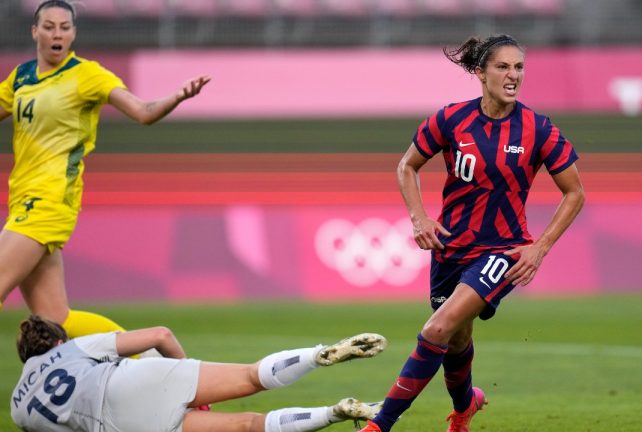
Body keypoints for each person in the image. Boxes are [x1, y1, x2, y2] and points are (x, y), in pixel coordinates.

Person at [358, 35, 585, 432]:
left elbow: (575, 192)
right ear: (480, 73)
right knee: (457, 340)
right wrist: (419, 218)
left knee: (437, 329)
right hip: (449, 249)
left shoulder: (538, 128)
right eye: (503, 67)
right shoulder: (450, 119)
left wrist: (539, 248)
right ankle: (466, 405)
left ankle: (380, 424)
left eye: (518, 67)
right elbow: (406, 166)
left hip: (502, 251)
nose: (513, 75)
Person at [0, 0, 210, 337]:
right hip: (21, 200)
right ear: (35, 31)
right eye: (50, 26)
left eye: (65, 28)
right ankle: (148, 352)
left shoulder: (87, 75)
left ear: (73, 34)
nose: (57, 34)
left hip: (49, 201)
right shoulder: (21, 77)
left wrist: (177, 97)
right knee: (57, 321)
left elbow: (143, 111)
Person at [11, 315, 388, 432]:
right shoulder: (74, 348)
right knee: (252, 376)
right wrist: (185, 375)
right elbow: (160, 335)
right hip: (134, 378)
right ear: (57, 341)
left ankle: (337, 413)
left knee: (250, 426)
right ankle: (318, 354)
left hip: (121, 425)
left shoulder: (17, 408)